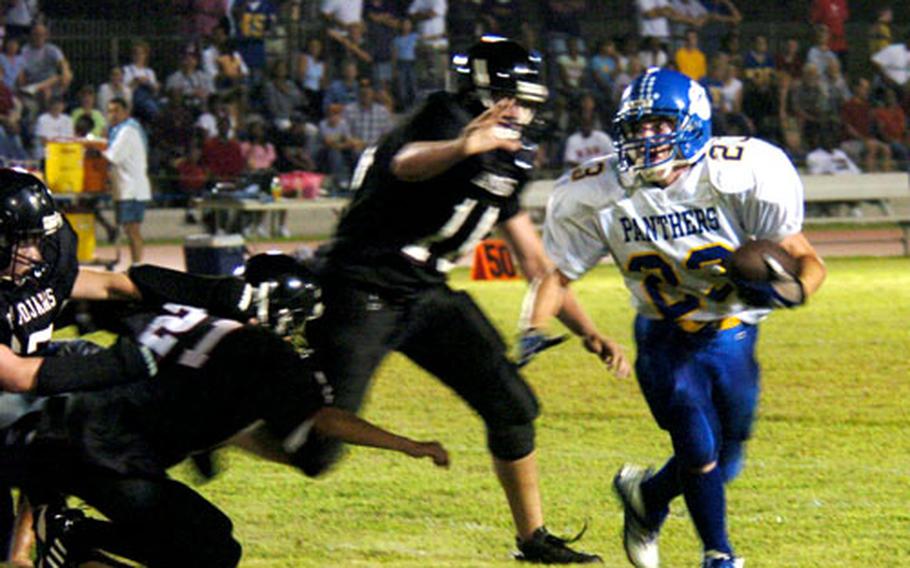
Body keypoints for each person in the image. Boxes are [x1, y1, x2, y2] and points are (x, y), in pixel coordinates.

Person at [302, 37, 601, 564]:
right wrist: (463, 145)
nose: (527, 112)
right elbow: (407, 165)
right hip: (363, 282)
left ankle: (533, 539)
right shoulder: (443, 116)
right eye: (519, 98)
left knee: (512, 407)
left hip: (423, 292)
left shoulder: (506, 155)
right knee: (316, 449)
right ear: (487, 92)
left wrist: (589, 331)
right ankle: (225, 431)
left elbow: (534, 260)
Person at [520, 68, 826, 567]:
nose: (646, 139)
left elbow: (808, 262)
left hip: (734, 334)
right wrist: (531, 328)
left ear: (691, 123)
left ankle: (648, 497)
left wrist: (791, 291)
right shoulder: (597, 191)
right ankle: (719, 554)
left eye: (659, 125)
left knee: (726, 459)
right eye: (636, 128)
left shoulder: (741, 171)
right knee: (694, 440)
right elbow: (557, 274)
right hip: (665, 337)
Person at [0, 254, 450, 568]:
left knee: (204, 538)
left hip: (61, 426)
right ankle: (68, 541)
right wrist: (406, 444)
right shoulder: (265, 354)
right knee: (209, 550)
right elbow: (323, 418)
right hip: (107, 457)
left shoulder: (186, 308)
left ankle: (54, 541)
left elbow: (106, 296)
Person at [99, 97, 152, 265]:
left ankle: (137, 265)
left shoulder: (127, 131)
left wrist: (97, 144)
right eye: (110, 111)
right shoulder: (120, 130)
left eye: (116, 111)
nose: (112, 115)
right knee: (130, 230)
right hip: (126, 188)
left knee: (132, 229)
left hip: (132, 189)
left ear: (125, 112)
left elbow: (112, 156)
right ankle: (134, 264)